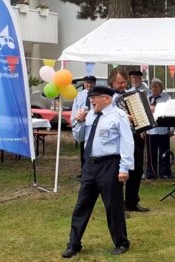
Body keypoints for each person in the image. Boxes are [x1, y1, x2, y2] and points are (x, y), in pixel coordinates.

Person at [62, 86, 134, 258]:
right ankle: (74, 243)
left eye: (95, 97)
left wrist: (124, 168)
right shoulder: (90, 115)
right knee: (82, 204)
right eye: (90, 97)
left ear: (106, 99)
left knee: (113, 205)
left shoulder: (119, 116)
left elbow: (127, 142)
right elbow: (79, 138)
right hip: (90, 164)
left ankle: (121, 242)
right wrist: (78, 121)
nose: (91, 100)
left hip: (110, 164)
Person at [109, 68, 150, 212]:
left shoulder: (131, 95)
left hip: (134, 135)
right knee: (119, 171)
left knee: (137, 169)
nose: (123, 85)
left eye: (125, 82)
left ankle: (132, 202)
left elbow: (139, 113)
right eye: (120, 82)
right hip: (118, 137)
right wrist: (123, 118)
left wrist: (142, 127)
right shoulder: (108, 98)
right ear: (112, 82)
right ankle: (118, 205)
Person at [145, 78, 172, 179]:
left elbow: (170, 113)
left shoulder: (167, 98)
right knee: (151, 153)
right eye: (152, 86)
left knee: (164, 152)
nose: (154, 88)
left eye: (156, 86)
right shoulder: (147, 98)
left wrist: (172, 129)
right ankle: (151, 173)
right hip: (150, 130)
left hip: (163, 129)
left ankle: (164, 172)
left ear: (161, 88)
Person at [70, 75, 97, 178]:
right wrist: (74, 121)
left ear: (94, 83)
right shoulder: (79, 95)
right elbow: (75, 109)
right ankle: (84, 170)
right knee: (83, 148)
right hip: (82, 123)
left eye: (91, 83)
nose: (88, 85)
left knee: (92, 147)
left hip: (92, 123)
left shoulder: (96, 95)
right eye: (86, 83)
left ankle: (92, 170)